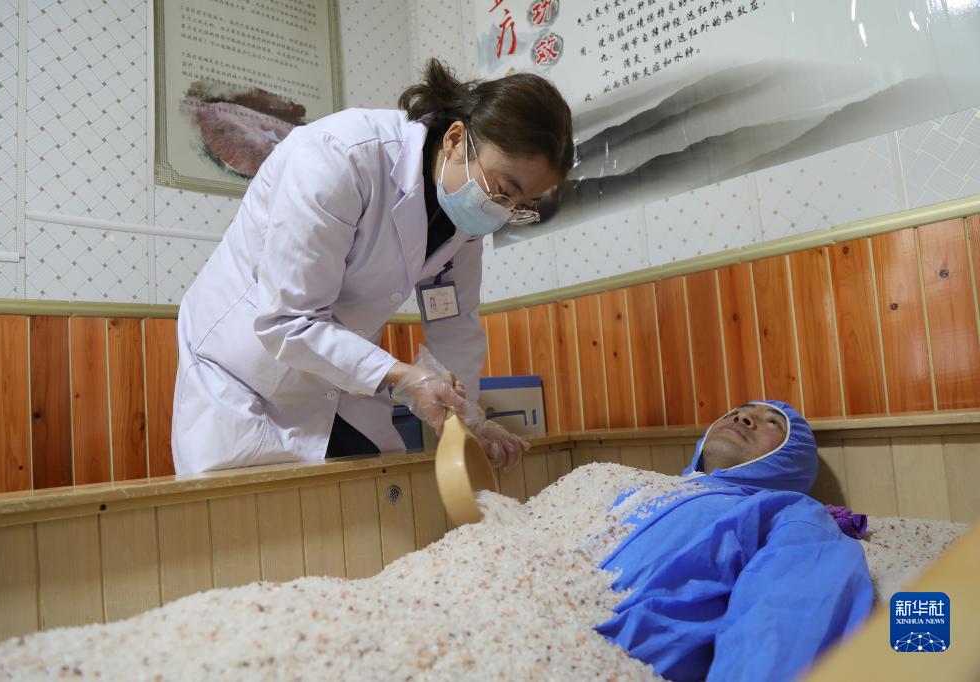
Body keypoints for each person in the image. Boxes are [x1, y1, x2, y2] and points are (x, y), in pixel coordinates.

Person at [171, 59, 574, 475]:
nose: (502, 211)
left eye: (521, 206)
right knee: (260, 506)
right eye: (504, 190)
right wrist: (402, 376)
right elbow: (287, 321)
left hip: (342, 374)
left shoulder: (466, 213)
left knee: (376, 492)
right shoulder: (340, 157)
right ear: (455, 139)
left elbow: (454, 321)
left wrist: (469, 417)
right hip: (246, 372)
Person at [596, 401, 874, 682]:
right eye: (734, 412)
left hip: (607, 655)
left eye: (773, 422)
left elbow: (783, 624)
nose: (744, 417)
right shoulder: (636, 485)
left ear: (793, 457)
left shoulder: (790, 514)